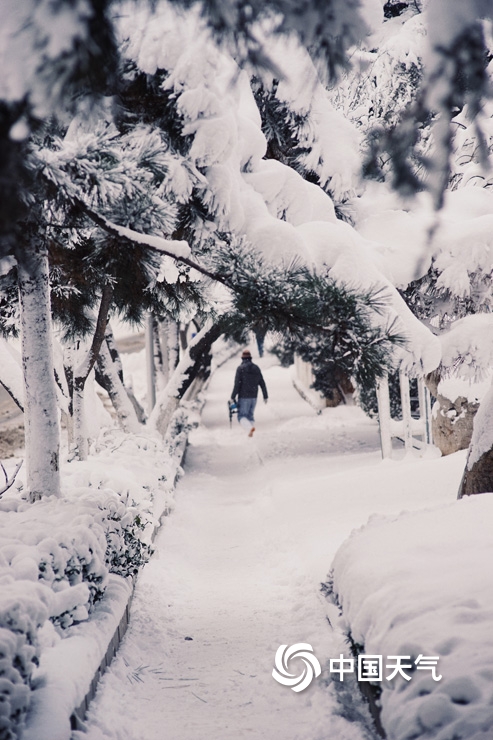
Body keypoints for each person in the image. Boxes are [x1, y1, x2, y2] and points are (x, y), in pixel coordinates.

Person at [231, 349, 268, 437]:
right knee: (250, 416)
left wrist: (232, 397)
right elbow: (262, 382)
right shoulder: (256, 368)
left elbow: (237, 385)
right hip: (254, 397)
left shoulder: (240, 369)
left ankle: (249, 429)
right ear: (250, 358)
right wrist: (265, 396)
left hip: (243, 397)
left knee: (241, 416)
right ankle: (251, 433)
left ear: (242, 358)